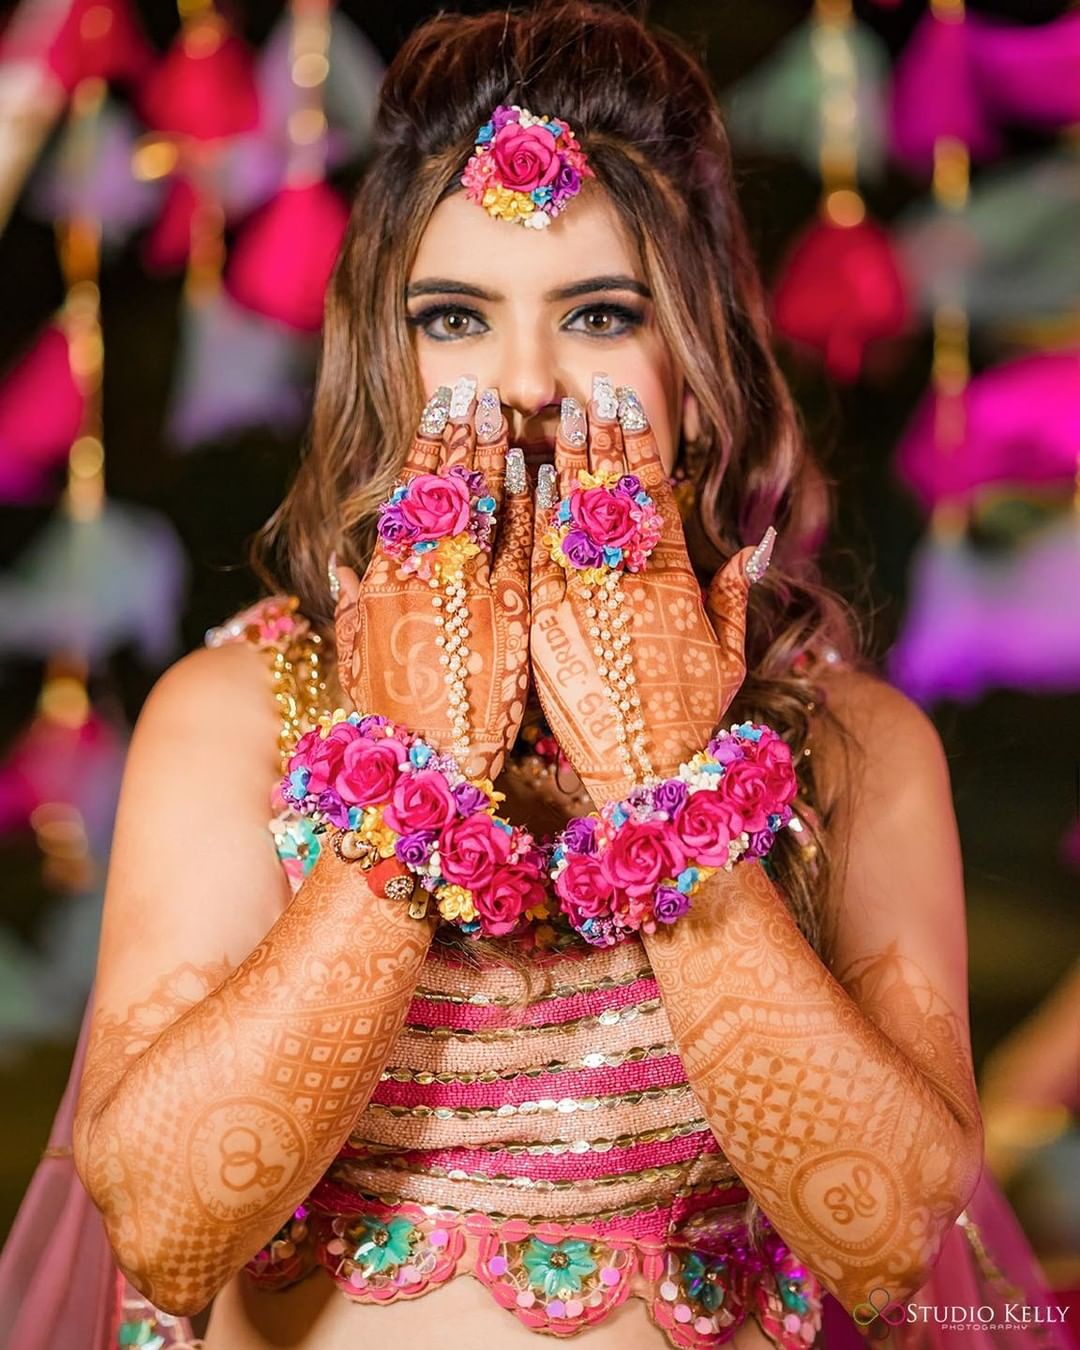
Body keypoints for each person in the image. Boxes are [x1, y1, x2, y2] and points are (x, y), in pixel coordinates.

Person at [2, 5, 1073, 1350]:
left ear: (699, 368)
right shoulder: (241, 718)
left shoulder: (850, 747)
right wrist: (412, 784)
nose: (521, 384)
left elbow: (903, 1244)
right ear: (388, 366)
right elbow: (159, 1226)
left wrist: (666, 786)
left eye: (602, 313)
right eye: (453, 317)